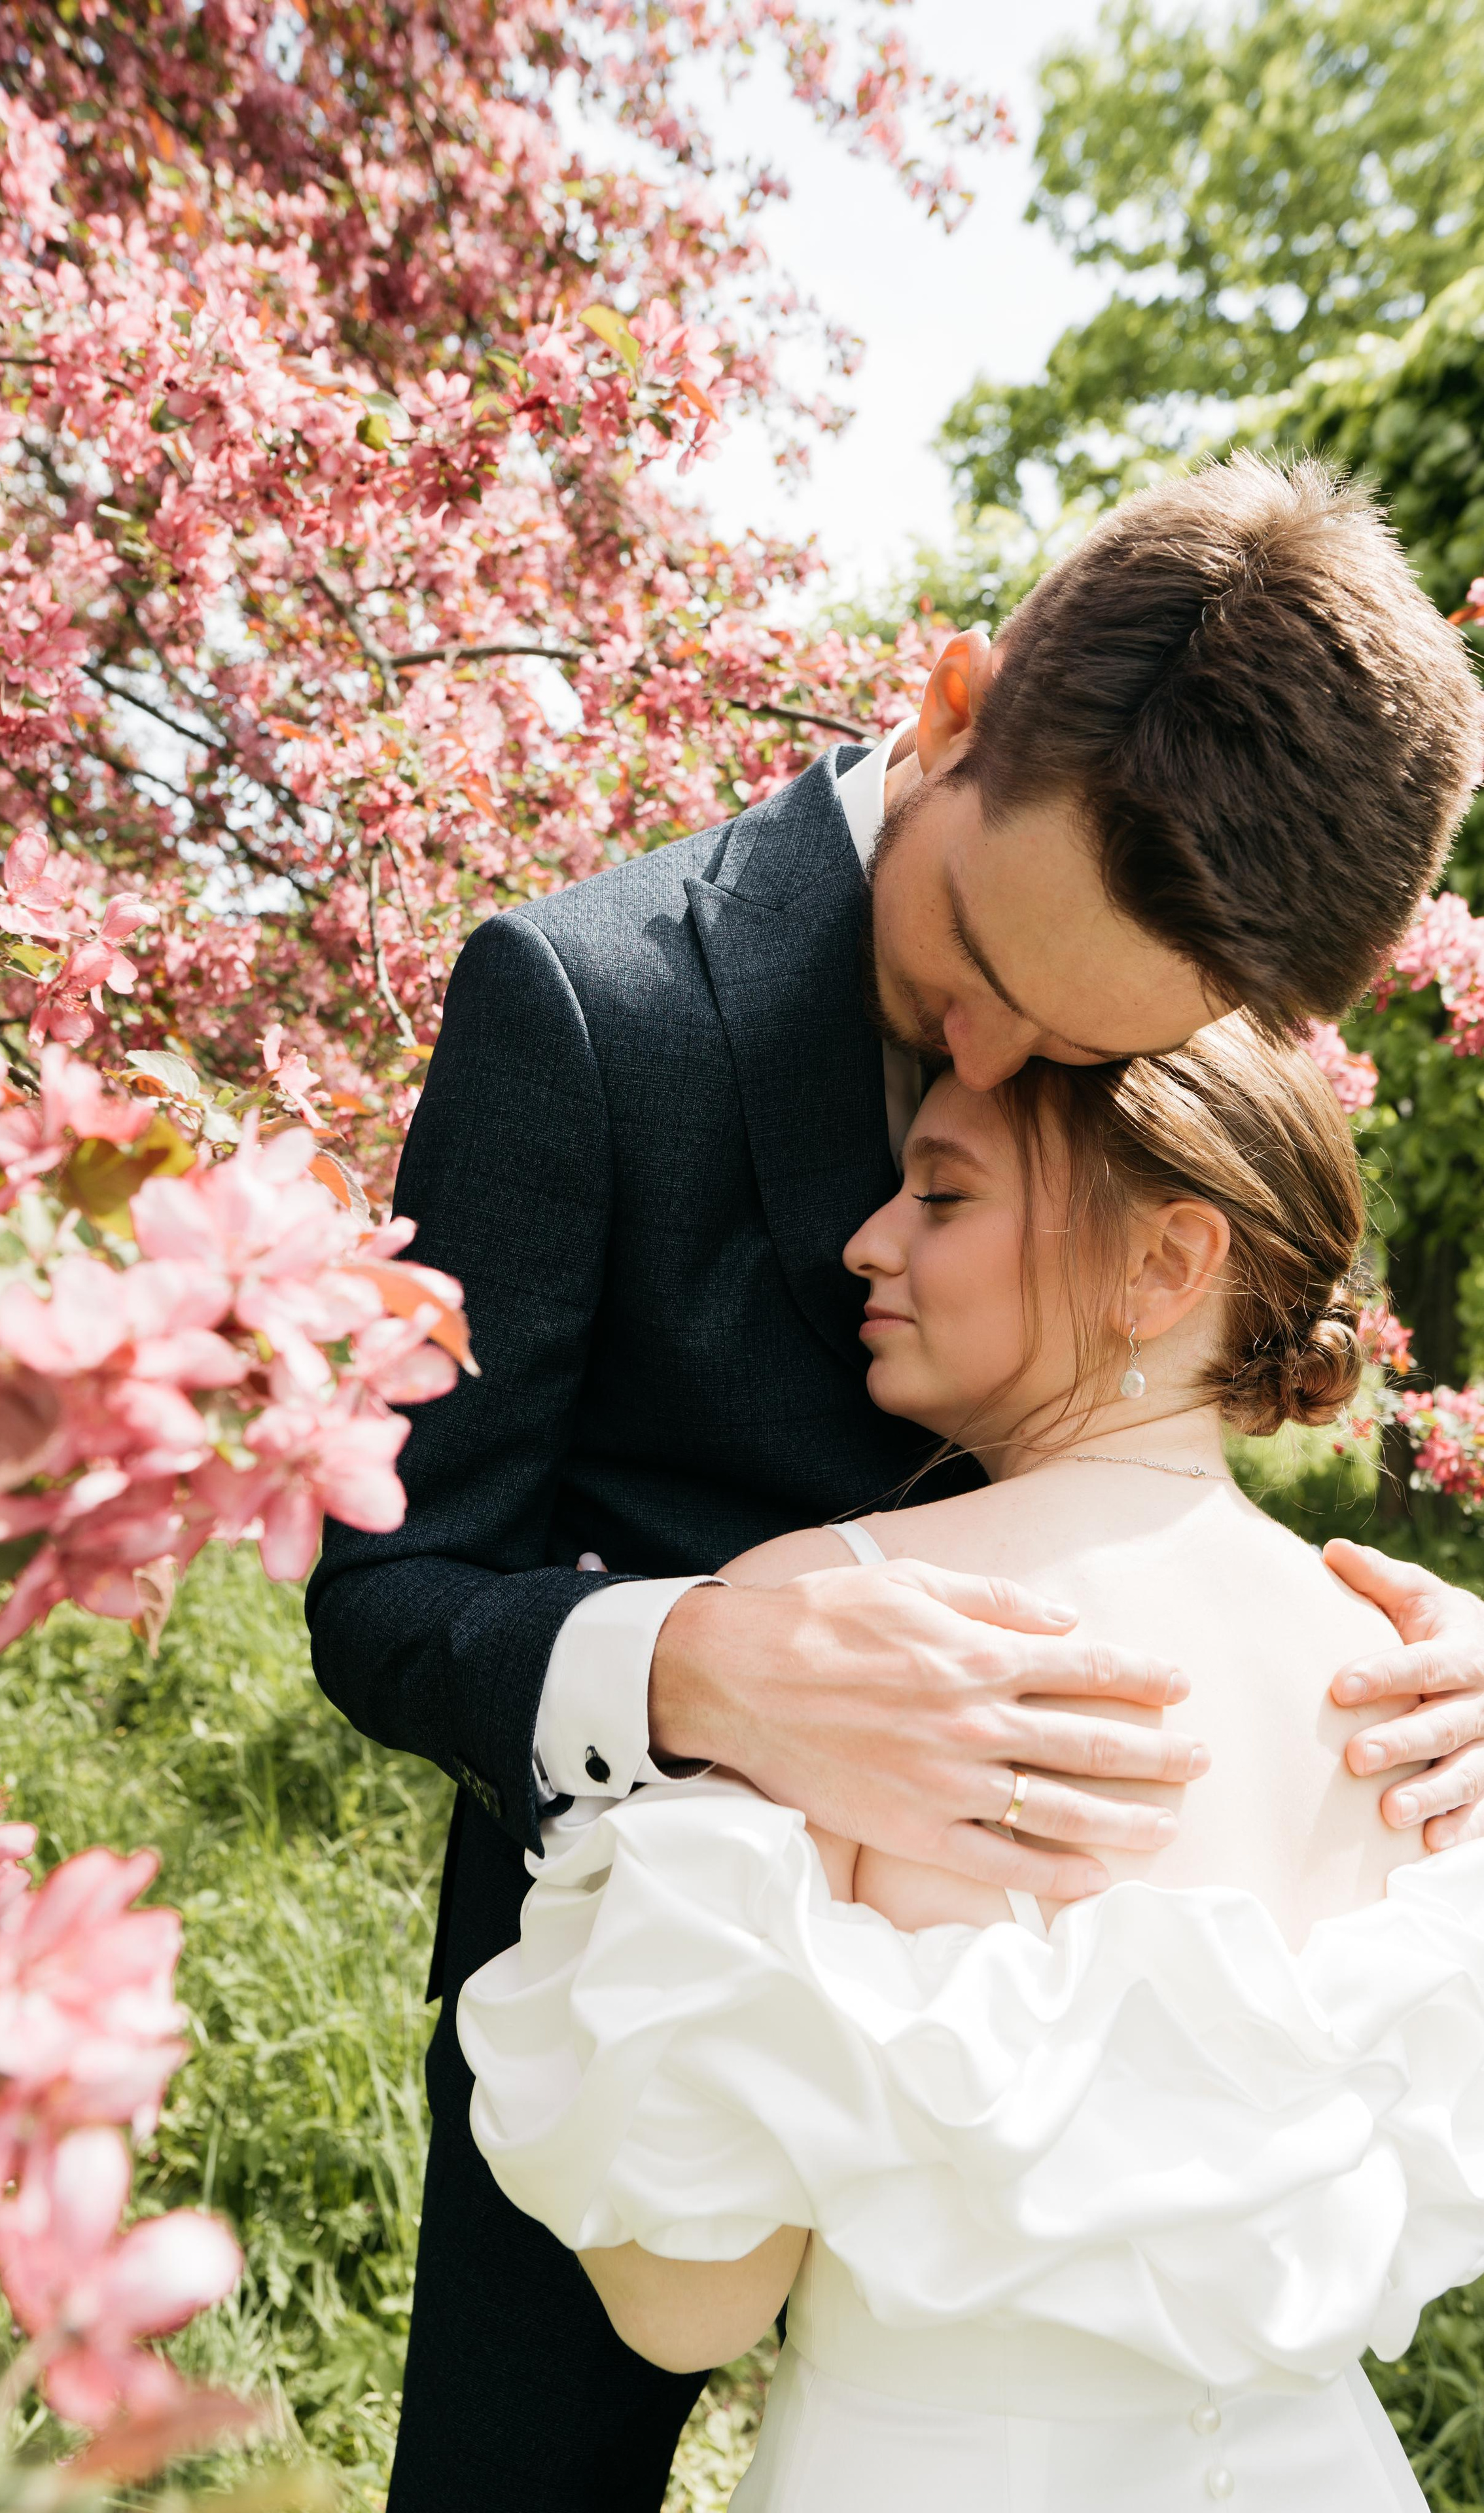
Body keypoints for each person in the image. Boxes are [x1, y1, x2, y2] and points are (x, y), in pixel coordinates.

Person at [306, 452, 1484, 2512]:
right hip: (658, 2006)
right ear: (951, 713)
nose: (995, 1064)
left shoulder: (1167, 940)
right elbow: (387, 1596)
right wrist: (701, 1671)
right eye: (979, 977)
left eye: (1082, 1046)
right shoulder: (586, 1007)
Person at [460, 1018, 1484, 2510]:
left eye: (942, 1194)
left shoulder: (830, 1628)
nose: (866, 1243)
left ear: (1165, 1264)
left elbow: (688, 2306)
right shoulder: (1423, 1676)